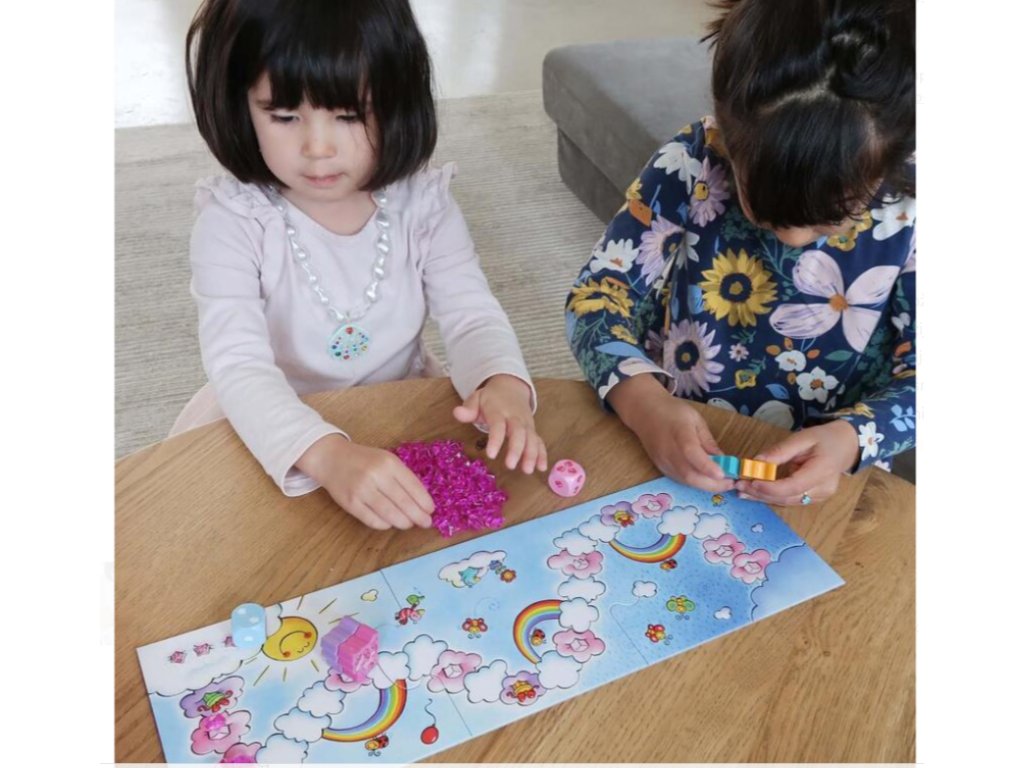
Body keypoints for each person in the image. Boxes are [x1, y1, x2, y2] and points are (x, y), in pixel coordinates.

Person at [176, 0, 547, 530]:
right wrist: (326, 455)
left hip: (401, 402)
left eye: (349, 115)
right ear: (239, 106)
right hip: (272, 426)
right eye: (284, 116)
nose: (318, 148)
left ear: (398, 102)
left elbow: (471, 315)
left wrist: (501, 379)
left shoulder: (424, 205)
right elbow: (240, 366)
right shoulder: (234, 221)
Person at [566, 0, 915, 506]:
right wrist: (644, 405)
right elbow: (597, 299)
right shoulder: (692, 162)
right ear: (728, 138)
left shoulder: (916, 209)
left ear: (894, 157)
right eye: (765, 213)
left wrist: (849, 441)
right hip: (673, 446)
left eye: (831, 218)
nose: (793, 239)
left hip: (830, 482)